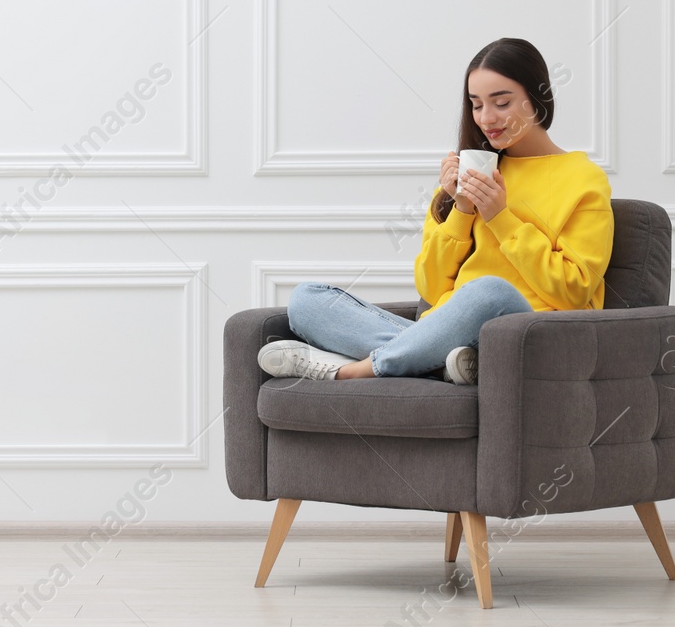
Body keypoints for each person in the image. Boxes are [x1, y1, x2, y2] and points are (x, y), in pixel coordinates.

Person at [258, 37, 614, 385]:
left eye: (501, 102)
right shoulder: (470, 173)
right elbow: (430, 286)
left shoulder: (583, 179)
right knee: (308, 300)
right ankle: (445, 365)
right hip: (445, 329)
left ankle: (355, 370)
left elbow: (574, 290)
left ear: (537, 99)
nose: (486, 118)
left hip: (527, 334)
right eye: (476, 105)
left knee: (490, 292)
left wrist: (500, 219)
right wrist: (461, 208)